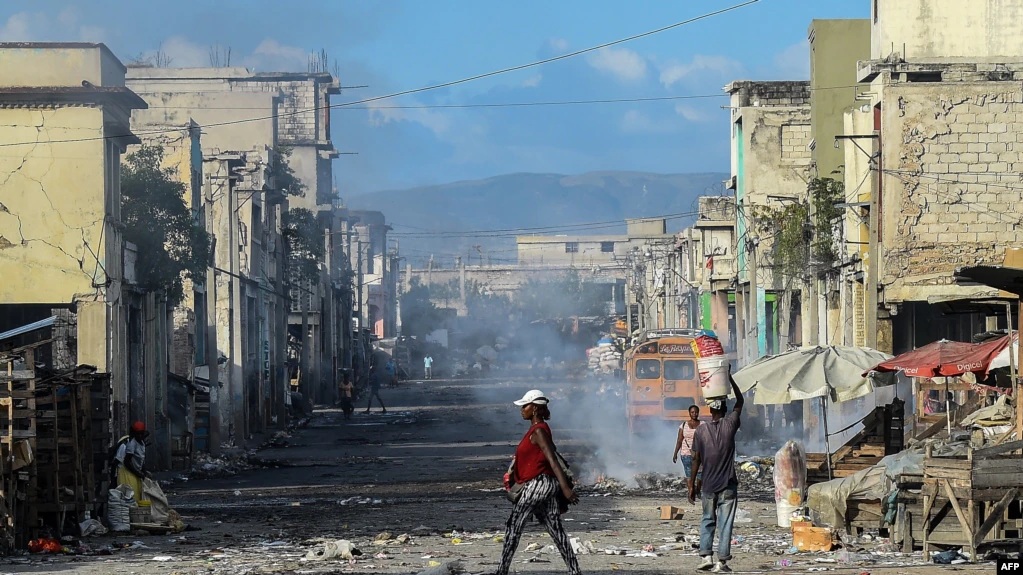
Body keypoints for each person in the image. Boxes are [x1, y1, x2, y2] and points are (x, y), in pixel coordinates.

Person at [498, 389, 581, 575]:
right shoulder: (538, 430)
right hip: (544, 485)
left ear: (535, 409)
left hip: (538, 485)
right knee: (555, 529)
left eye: (525, 406)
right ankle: (574, 570)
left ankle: (501, 571)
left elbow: (552, 460)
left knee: (514, 526)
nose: (522, 410)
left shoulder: (539, 432)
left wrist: (566, 488)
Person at [689, 372, 744, 573]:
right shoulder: (730, 425)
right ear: (725, 410)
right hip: (728, 484)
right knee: (726, 523)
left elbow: (696, 459)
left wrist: (692, 484)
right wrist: (728, 378)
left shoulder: (701, 431)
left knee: (707, 520)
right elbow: (741, 400)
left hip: (708, 486)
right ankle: (722, 562)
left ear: (710, 409)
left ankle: (706, 556)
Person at [112, 421, 152, 507]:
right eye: (138, 434)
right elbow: (127, 462)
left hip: (134, 472)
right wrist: (138, 473)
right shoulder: (130, 444)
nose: (140, 436)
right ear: (134, 433)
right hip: (127, 473)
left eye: (142, 434)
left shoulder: (141, 443)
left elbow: (141, 460)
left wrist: (144, 471)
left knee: (137, 495)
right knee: (131, 497)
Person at [672, 405, 703, 493]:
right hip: (686, 454)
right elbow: (679, 440)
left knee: (700, 475)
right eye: (692, 412)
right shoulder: (683, 425)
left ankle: (697, 489)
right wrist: (675, 454)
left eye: (696, 412)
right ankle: (691, 492)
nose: (694, 414)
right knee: (689, 475)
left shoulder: (703, 425)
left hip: (699, 455)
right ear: (689, 413)